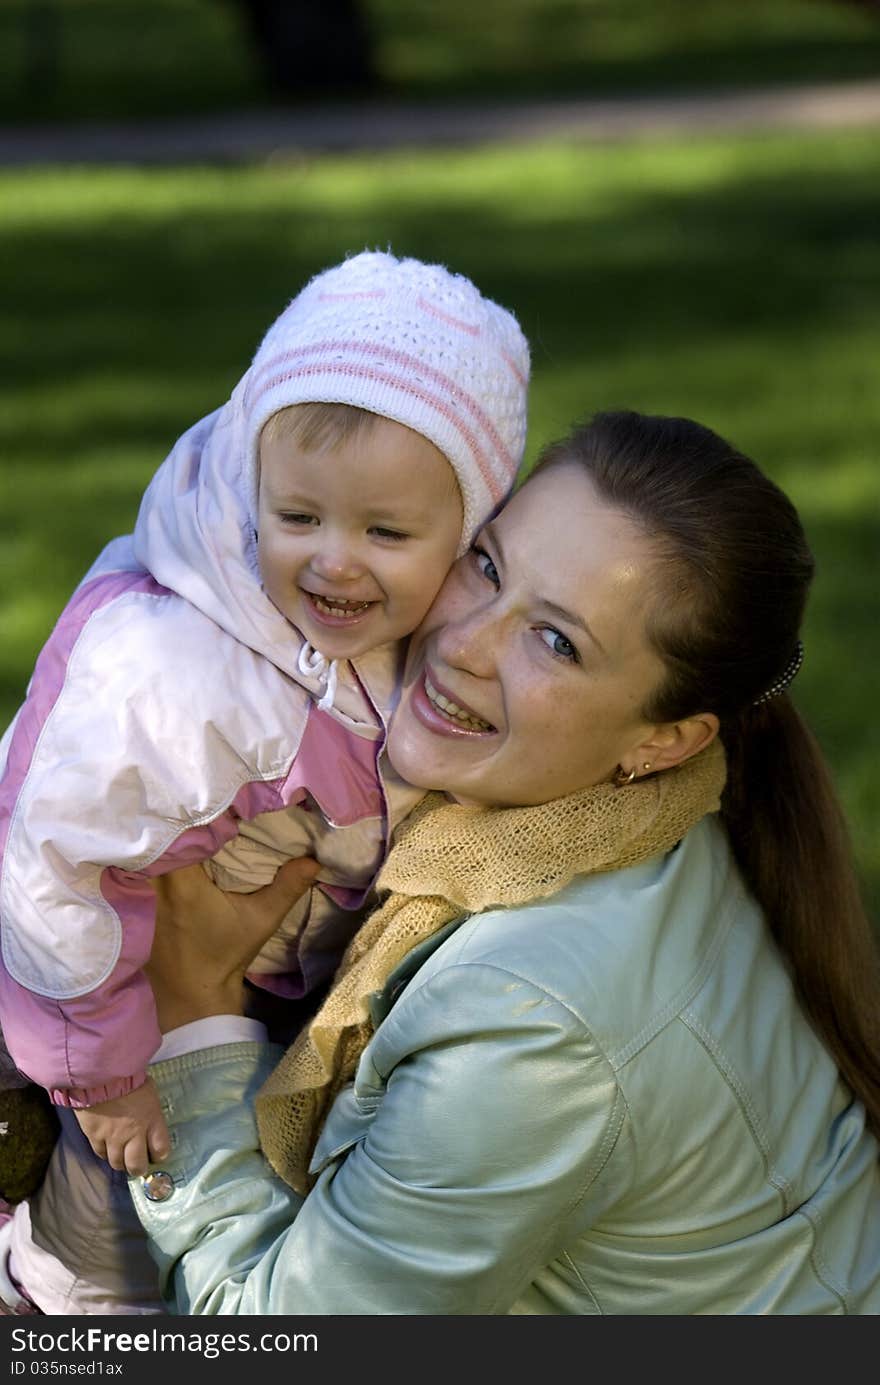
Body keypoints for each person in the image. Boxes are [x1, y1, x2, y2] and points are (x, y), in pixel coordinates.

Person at [124, 409, 880, 1315]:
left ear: (668, 738)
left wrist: (187, 1018)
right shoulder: (624, 809)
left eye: (556, 641)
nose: (465, 642)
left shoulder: (528, 1021)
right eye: (487, 564)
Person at [0, 249, 529, 1313]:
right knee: (112, 1236)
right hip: (106, 1006)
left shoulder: (406, 637)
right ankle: (43, 1301)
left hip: (256, 993)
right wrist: (98, 1071)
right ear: (251, 487)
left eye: (385, 531)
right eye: (299, 519)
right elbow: (45, 862)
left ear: (469, 530)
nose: (335, 561)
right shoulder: (173, 667)